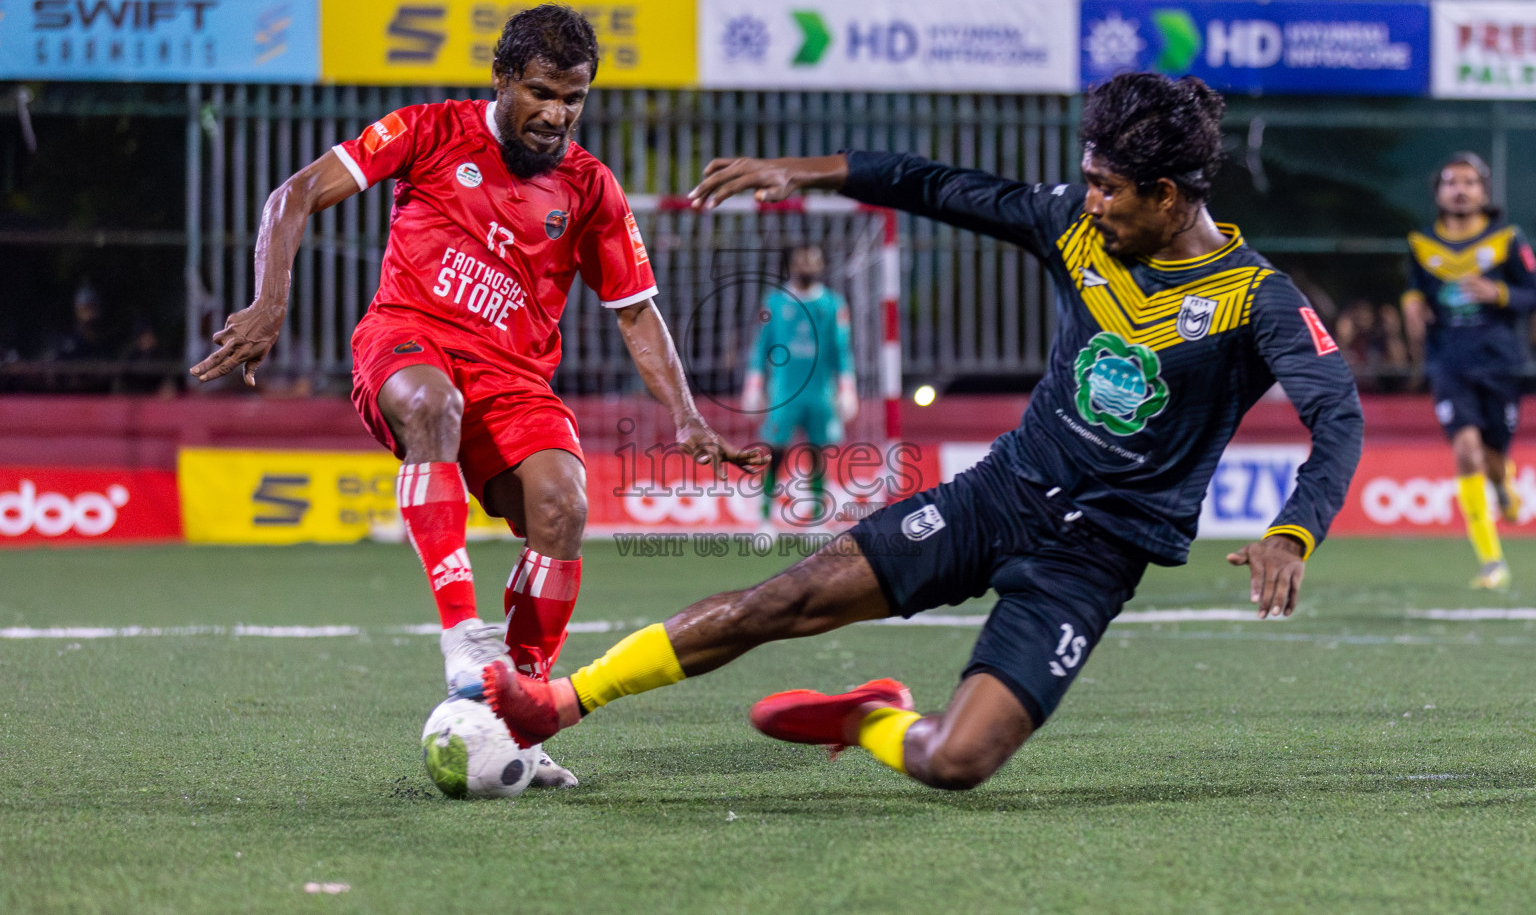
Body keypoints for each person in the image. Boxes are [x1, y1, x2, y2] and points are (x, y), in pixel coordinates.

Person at [475, 72, 1364, 792]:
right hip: (999, 496)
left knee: (956, 763)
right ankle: (560, 701)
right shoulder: (1077, 231)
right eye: (1087, 180)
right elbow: (937, 186)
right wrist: (805, 172)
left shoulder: (1256, 299)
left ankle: (867, 716)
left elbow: (1338, 419)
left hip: (1092, 560)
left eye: (1107, 187)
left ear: (1168, 196)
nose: (1087, 201)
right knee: (777, 602)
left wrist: (1293, 533)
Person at [191, 4, 761, 786]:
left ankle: (516, 708)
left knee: (563, 505)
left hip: (515, 377)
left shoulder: (590, 187)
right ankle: (463, 636)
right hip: (408, 336)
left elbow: (636, 311)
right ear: (501, 79)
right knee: (433, 407)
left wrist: (689, 417)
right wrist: (269, 303)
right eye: (540, 93)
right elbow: (292, 197)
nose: (557, 115)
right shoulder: (425, 131)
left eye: (574, 98)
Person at [1401, 152, 1536, 590]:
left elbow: (1531, 293)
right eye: (1451, 182)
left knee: (1494, 459)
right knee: (1465, 449)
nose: (1460, 189)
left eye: (1469, 182)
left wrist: (1496, 291)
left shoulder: (1508, 239)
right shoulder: (1421, 243)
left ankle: (1503, 485)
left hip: (1500, 361)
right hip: (1448, 362)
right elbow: (1415, 289)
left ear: (1483, 191)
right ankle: (1491, 562)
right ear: (1438, 192)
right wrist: (1412, 305)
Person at [743, 244, 858, 526]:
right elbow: (761, 346)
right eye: (801, 261)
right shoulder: (774, 303)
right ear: (792, 265)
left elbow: (841, 351)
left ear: (821, 266)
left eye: (812, 261)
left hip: (820, 393)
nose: (806, 267)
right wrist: (753, 384)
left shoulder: (832, 305)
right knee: (774, 452)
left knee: (818, 453)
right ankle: (765, 517)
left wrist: (848, 387)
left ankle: (817, 517)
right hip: (783, 393)